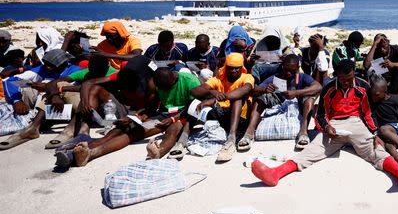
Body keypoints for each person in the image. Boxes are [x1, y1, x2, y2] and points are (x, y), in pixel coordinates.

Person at [250, 60, 398, 188]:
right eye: (343, 79)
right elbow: (321, 115)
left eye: (349, 79)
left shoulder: (363, 87)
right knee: (311, 152)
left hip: (357, 123)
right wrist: (326, 128)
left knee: (376, 152)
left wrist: (375, 134)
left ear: (354, 73)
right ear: (336, 76)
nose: (346, 83)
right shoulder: (329, 89)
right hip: (334, 125)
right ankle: (276, 173)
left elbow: (368, 113)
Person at [64, 66, 204, 167]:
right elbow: (152, 104)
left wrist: (174, 118)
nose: (162, 90)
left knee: (172, 130)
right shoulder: (158, 83)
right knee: (130, 130)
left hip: (183, 115)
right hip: (163, 114)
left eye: (165, 88)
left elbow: (196, 106)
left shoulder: (189, 81)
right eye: (160, 88)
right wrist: (138, 115)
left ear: (173, 80)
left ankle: (158, 152)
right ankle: (90, 151)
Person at [4, 55, 113, 148]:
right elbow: (52, 83)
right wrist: (56, 96)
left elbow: (91, 86)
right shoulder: (86, 73)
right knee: (56, 86)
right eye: (91, 70)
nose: (93, 73)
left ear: (107, 67)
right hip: (84, 107)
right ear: (89, 67)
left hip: (105, 112)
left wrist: (62, 89)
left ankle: (70, 129)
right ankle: (34, 126)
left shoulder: (113, 74)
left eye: (97, 71)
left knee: (84, 90)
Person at [0, 49, 83, 150]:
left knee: (53, 89)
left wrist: (48, 88)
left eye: (51, 65)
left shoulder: (76, 71)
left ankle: (36, 124)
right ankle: (35, 124)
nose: (47, 67)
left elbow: (71, 91)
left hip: (65, 106)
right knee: (24, 87)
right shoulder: (42, 68)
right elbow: (11, 80)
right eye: (46, 64)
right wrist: (17, 101)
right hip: (45, 104)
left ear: (63, 64)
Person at [245, 53, 321, 149]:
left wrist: (296, 92)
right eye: (286, 70)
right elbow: (253, 91)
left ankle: (303, 131)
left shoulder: (302, 77)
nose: (289, 73)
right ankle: (250, 131)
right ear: (282, 66)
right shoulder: (275, 78)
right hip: (279, 105)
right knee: (260, 99)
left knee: (309, 98)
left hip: (298, 106)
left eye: (292, 71)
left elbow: (318, 87)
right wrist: (264, 90)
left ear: (298, 68)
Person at [194, 53, 254, 162]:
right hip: (223, 116)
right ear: (226, 67)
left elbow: (244, 90)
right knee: (195, 102)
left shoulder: (247, 77)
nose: (234, 71)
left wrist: (217, 98)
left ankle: (231, 138)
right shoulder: (218, 78)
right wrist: (213, 92)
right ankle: (182, 140)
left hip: (241, 117)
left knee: (237, 98)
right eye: (231, 68)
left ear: (242, 67)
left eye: (237, 68)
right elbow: (195, 91)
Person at [363, 33, 398, 98]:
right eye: (379, 46)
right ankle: (373, 99)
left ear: (388, 42)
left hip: (396, 83)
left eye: (384, 46)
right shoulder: (375, 51)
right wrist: (374, 45)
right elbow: (366, 65)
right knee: (369, 70)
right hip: (381, 84)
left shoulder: (397, 49)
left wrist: (394, 64)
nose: (382, 49)